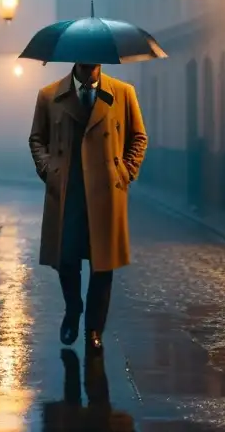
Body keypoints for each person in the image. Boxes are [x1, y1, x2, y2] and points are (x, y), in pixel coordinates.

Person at [29, 62, 148, 352]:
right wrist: (49, 171)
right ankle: (73, 309)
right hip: (69, 190)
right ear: (74, 57)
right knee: (66, 259)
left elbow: (138, 137)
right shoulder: (49, 95)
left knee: (102, 266)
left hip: (106, 191)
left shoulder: (123, 93)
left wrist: (126, 171)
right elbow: (37, 139)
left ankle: (94, 329)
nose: (90, 59)